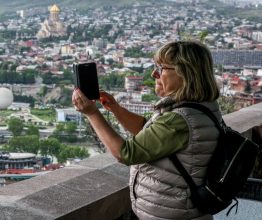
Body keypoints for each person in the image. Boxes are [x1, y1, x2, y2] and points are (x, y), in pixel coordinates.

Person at [72, 40, 221, 220]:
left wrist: (92, 113)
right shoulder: (199, 107)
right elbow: (150, 134)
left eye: (163, 68)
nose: (154, 73)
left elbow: (125, 153)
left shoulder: (180, 119)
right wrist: (116, 109)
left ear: (186, 73)